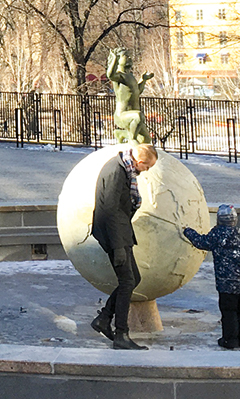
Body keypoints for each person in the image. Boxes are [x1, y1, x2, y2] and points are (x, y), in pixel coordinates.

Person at [89, 143, 157, 350]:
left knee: (133, 278)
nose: (145, 172)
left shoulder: (124, 168)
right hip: (114, 236)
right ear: (139, 162)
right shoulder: (116, 171)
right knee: (127, 280)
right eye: (147, 167)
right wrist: (118, 247)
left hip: (121, 234)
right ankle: (121, 334)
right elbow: (110, 211)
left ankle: (104, 319)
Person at [182, 204, 240, 349]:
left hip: (225, 284)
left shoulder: (216, 234)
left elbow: (200, 242)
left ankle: (230, 340)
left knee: (229, 312)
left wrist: (187, 231)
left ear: (219, 219)